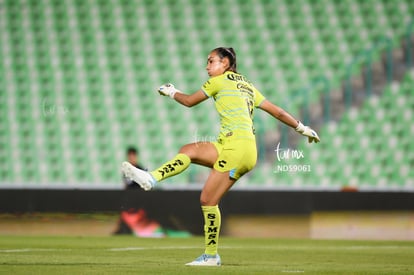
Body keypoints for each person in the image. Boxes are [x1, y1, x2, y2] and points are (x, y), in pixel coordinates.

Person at [122, 47, 320, 266]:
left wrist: (170, 91)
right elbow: (278, 112)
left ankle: (211, 255)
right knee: (189, 149)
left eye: (211, 61)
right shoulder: (246, 85)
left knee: (207, 200)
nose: (207, 66)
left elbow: (189, 101)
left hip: (237, 149)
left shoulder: (218, 81)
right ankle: (151, 178)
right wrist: (303, 128)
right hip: (232, 145)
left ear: (225, 63)